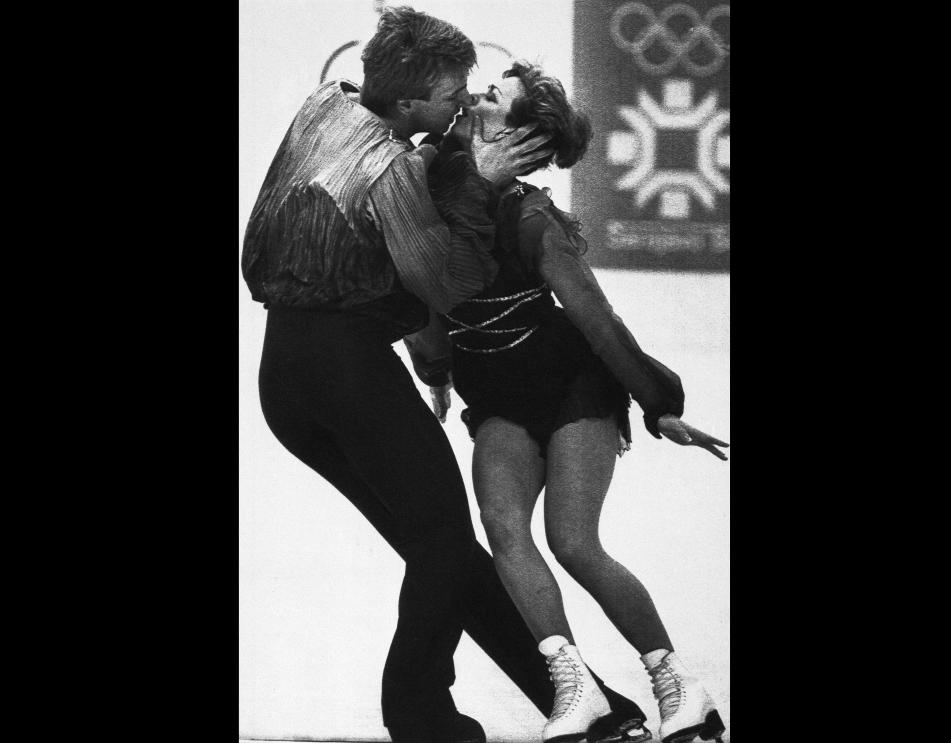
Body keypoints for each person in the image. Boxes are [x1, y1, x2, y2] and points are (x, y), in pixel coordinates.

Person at [242, 7, 652, 743]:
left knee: (445, 550)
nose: (464, 101)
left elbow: (396, 260)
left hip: (284, 378)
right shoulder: (397, 169)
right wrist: (478, 180)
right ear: (405, 104)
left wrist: (432, 361)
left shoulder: (325, 106)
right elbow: (452, 281)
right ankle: (420, 713)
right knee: (441, 539)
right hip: (346, 373)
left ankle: (580, 700)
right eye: (452, 91)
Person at [411, 61, 729, 743]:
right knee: (502, 531)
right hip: (496, 390)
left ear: (521, 137)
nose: (476, 95)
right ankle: (574, 687)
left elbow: (596, 319)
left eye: (496, 95)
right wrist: (434, 368)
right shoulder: (429, 183)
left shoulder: (528, 215)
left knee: (574, 542)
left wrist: (656, 399)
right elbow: (419, 294)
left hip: (570, 385)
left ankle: (682, 687)